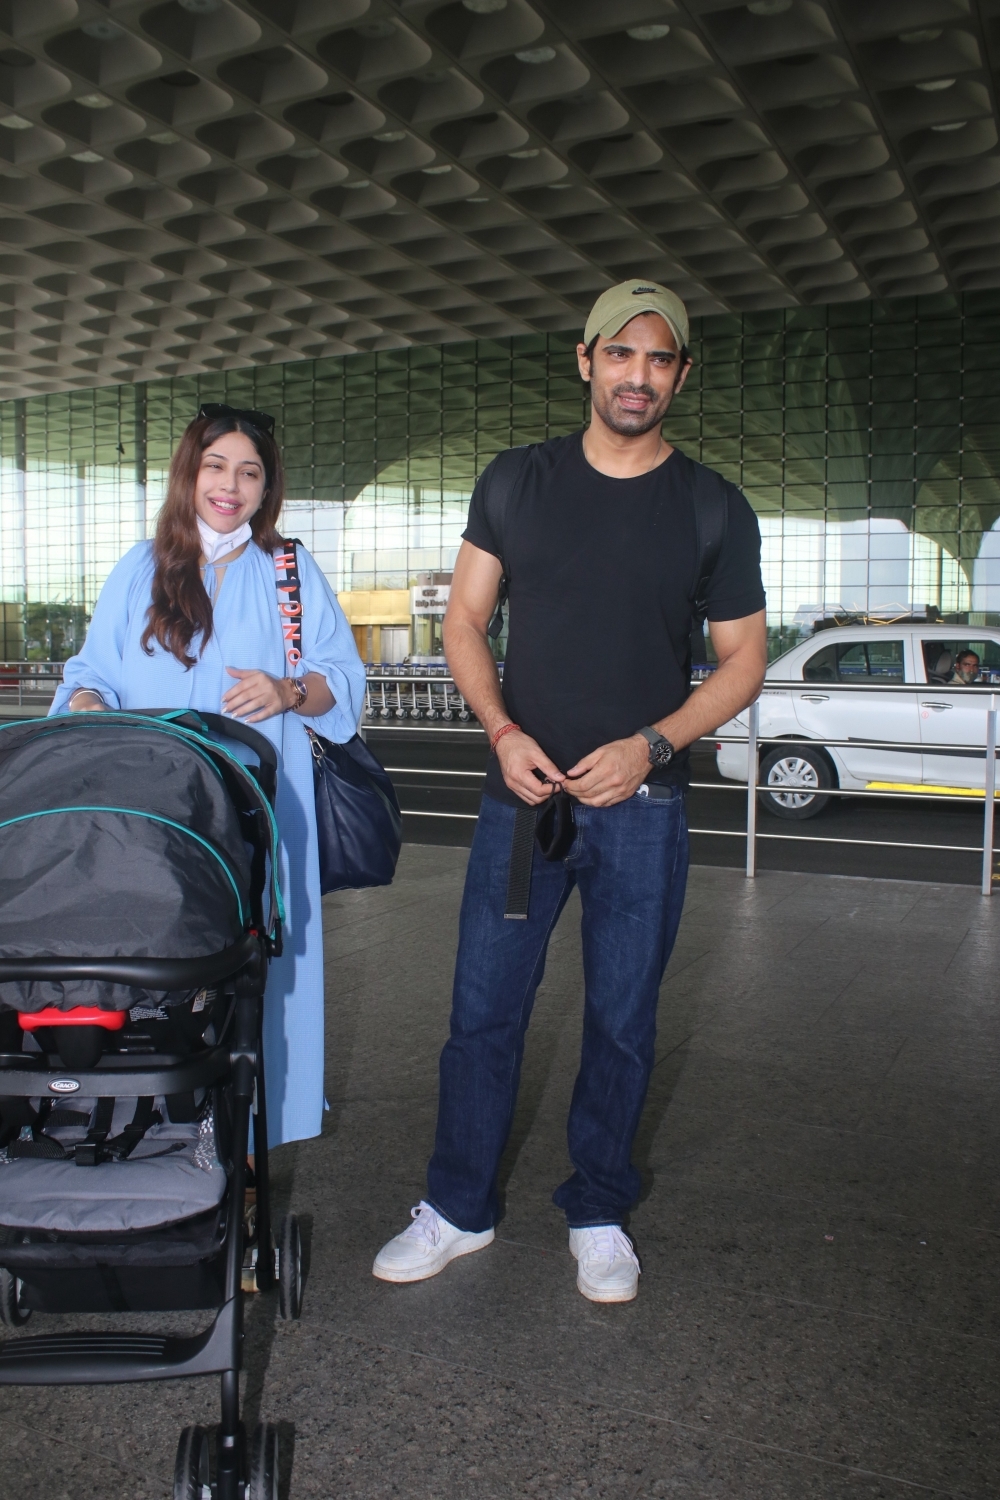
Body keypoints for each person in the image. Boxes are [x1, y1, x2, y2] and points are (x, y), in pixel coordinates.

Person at [373, 280, 767, 1303]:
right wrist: (500, 730)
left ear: (680, 375)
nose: (638, 375)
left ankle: (597, 1208)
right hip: (521, 801)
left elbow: (742, 660)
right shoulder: (517, 483)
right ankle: (457, 1207)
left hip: (642, 809)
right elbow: (464, 621)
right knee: (481, 1011)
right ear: (584, 359)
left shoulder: (712, 505)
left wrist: (653, 744)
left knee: (624, 1018)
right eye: (620, 354)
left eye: (659, 359)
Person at [49, 403, 366, 1146]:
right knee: (154, 969)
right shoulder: (139, 569)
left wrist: (288, 691)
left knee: (254, 977)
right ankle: (147, 1133)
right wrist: (92, 696)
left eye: (249, 472)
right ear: (190, 472)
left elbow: (340, 680)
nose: (231, 485)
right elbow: (89, 671)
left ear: (266, 487)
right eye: (216, 466)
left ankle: (246, 1149)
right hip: (152, 819)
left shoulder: (288, 572)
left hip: (254, 815)